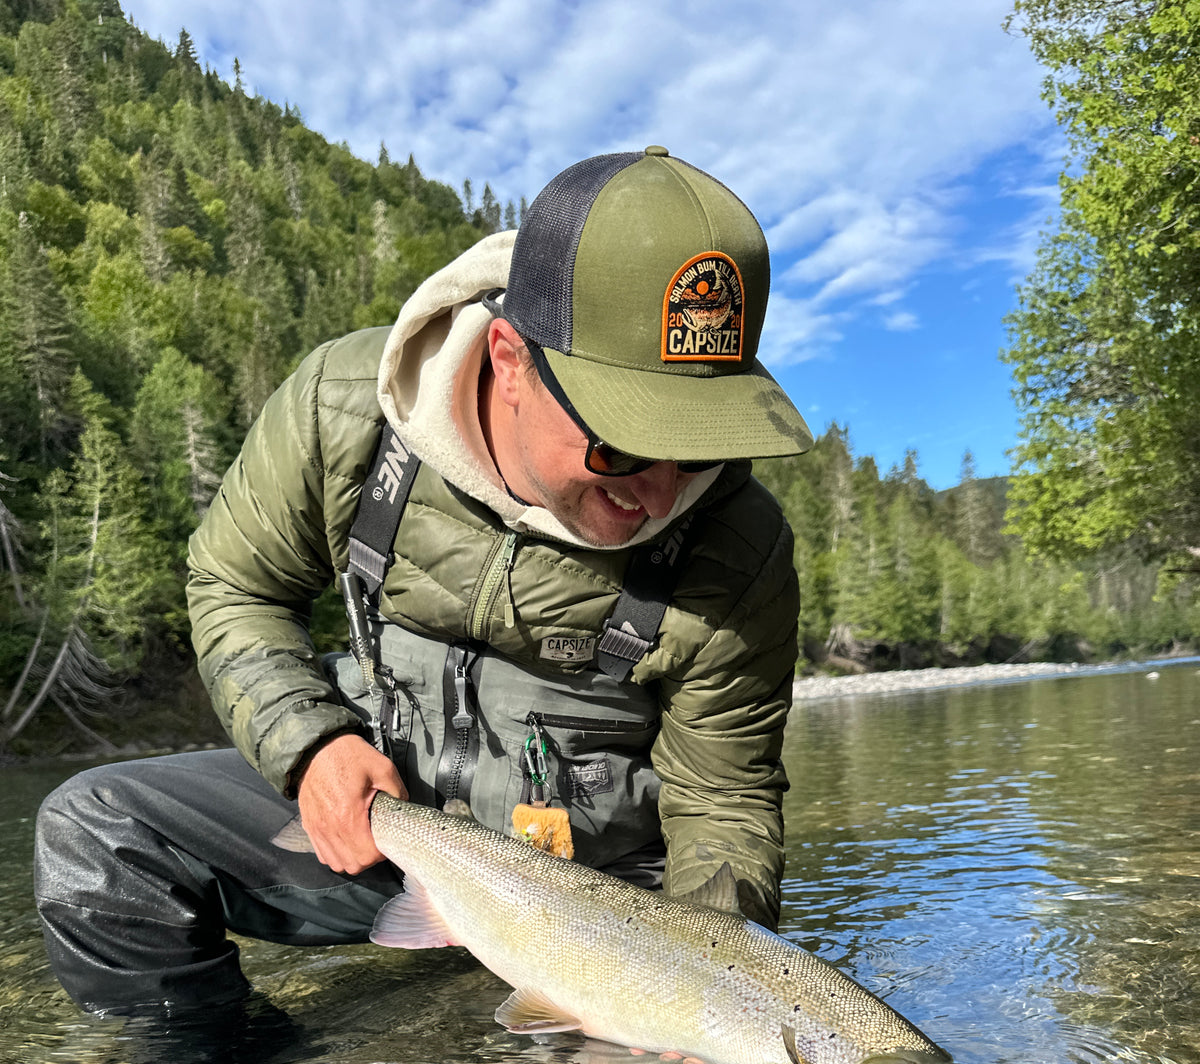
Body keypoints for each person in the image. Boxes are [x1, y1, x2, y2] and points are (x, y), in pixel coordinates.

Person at [34, 148, 812, 1019]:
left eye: (697, 447)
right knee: (97, 834)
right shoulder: (343, 410)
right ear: (512, 359)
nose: (660, 493)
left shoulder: (741, 545)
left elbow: (725, 798)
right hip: (384, 828)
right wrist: (309, 746)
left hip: (600, 891)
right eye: (620, 446)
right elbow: (233, 584)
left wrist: (704, 990)